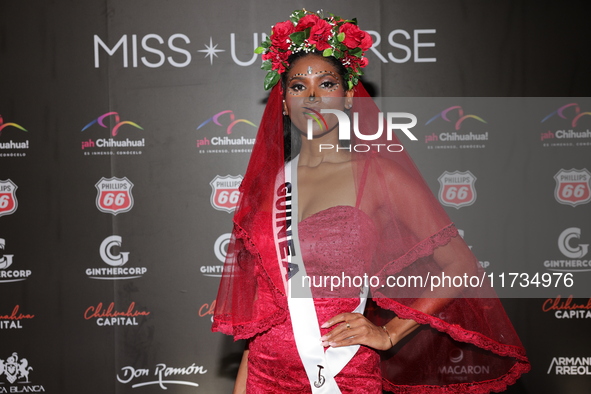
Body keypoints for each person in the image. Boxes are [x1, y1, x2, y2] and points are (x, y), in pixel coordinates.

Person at [213, 10, 530, 393]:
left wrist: (390, 334)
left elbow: (461, 265)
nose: (312, 97)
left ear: (347, 97)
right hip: (264, 375)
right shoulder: (269, 186)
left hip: (343, 372)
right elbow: (262, 310)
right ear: (283, 102)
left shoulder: (379, 178)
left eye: (326, 83)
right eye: (298, 86)